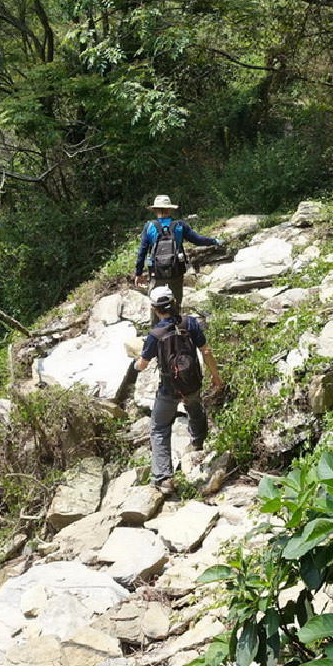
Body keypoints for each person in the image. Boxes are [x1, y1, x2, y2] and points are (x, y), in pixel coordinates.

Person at [135, 285, 224, 491]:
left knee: (159, 427)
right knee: (194, 407)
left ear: (154, 309)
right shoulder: (189, 322)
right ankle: (198, 442)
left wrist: (135, 365)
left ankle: (164, 478)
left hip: (169, 389)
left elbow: (142, 364)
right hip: (192, 381)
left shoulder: (155, 334)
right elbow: (206, 350)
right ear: (174, 302)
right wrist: (215, 375)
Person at [133, 194, 221, 322]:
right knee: (174, 302)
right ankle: (175, 330)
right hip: (176, 270)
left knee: (156, 301)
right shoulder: (179, 225)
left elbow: (142, 252)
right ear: (170, 209)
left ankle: (156, 333)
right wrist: (215, 241)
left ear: (155, 210)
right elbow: (197, 240)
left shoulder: (149, 226)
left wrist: (138, 273)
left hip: (157, 272)